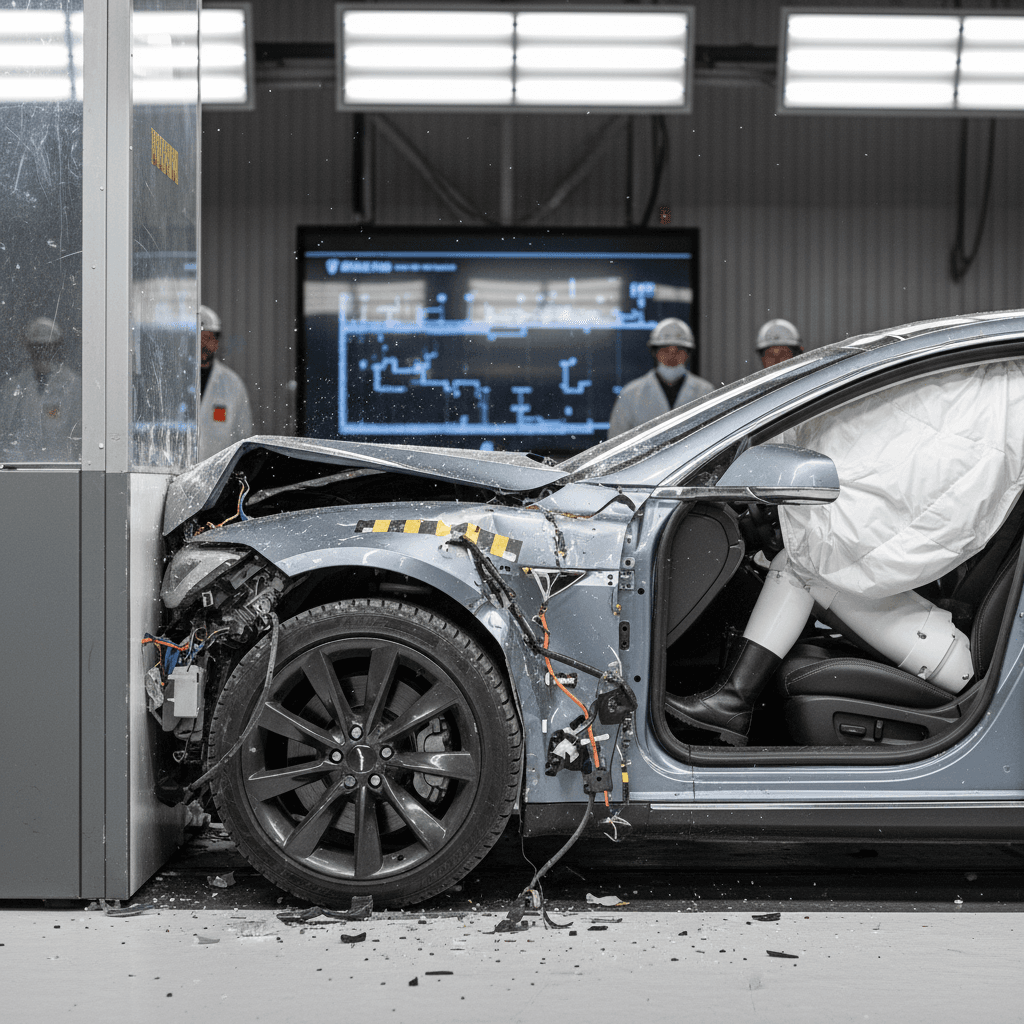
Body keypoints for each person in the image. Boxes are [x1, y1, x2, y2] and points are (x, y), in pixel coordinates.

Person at [666, 359, 1024, 745]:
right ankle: (732, 701)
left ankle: (733, 702)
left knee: (804, 565)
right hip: (946, 634)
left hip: (955, 659)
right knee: (805, 559)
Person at [608, 318, 715, 438]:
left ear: (688, 354)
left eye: (678, 350)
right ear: (655, 352)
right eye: (665, 350)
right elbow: (615, 440)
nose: (672, 356)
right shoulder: (630, 393)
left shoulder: (706, 391)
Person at [0, 317, 81, 462]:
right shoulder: (14, 385)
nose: (43, 352)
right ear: (29, 348)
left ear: (57, 347)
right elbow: (7, 430)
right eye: (37, 346)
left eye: (48, 346)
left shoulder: (74, 386)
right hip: (24, 468)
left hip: (63, 468)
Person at [198, 304, 253, 461]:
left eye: (208, 338)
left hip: (217, 477)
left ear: (216, 342)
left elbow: (244, 438)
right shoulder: (174, 382)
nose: (203, 344)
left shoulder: (233, 385)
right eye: (199, 337)